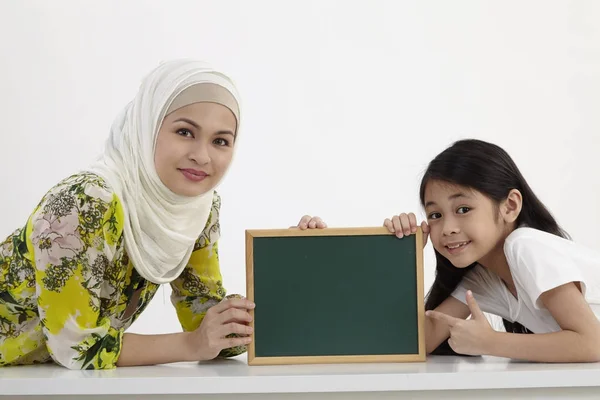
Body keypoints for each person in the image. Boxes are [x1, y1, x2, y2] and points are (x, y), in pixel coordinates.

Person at [0, 59, 326, 369]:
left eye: (221, 141)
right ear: (148, 125)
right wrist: (191, 345)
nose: (201, 156)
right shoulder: (85, 201)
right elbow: (76, 349)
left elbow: (208, 324)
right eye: (185, 132)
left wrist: (291, 267)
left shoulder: (199, 208)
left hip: (33, 382)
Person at [384, 138, 600, 362]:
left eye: (463, 209)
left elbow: (592, 343)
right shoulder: (484, 280)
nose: (447, 229)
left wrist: (490, 342)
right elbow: (420, 341)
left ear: (510, 206)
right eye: (435, 215)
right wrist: (402, 256)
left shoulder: (525, 246)